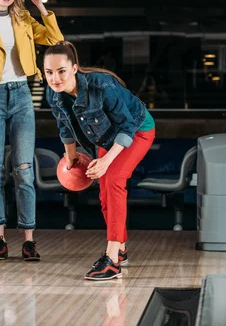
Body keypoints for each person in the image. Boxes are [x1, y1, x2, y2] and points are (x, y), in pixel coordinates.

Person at [44, 41, 155, 281]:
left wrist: (106, 162)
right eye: (49, 72)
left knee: (114, 179)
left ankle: (112, 259)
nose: (55, 78)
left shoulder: (102, 86)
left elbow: (127, 125)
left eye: (61, 71)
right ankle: (121, 248)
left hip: (137, 131)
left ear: (74, 68)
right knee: (104, 192)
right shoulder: (54, 93)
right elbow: (64, 125)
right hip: (108, 139)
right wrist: (70, 157)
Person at [0, 0, 63, 261]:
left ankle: (28, 240)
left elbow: (54, 40)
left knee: (24, 171)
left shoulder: (23, 18)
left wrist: (40, 6)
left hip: (22, 94)